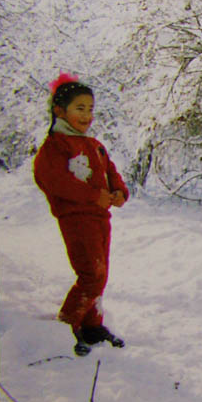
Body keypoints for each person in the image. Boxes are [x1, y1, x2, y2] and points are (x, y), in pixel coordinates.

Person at [34, 72, 129, 357]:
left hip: (101, 219)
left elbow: (111, 171)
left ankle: (91, 324)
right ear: (60, 111)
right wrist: (92, 196)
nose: (87, 115)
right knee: (91, 273)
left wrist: (119, 191)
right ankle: (67, 325)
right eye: (80, 108)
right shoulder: (55, 146)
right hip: (76, 219)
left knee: (100, 273)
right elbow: (55, 181)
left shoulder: (93, 144)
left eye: (90, 109)